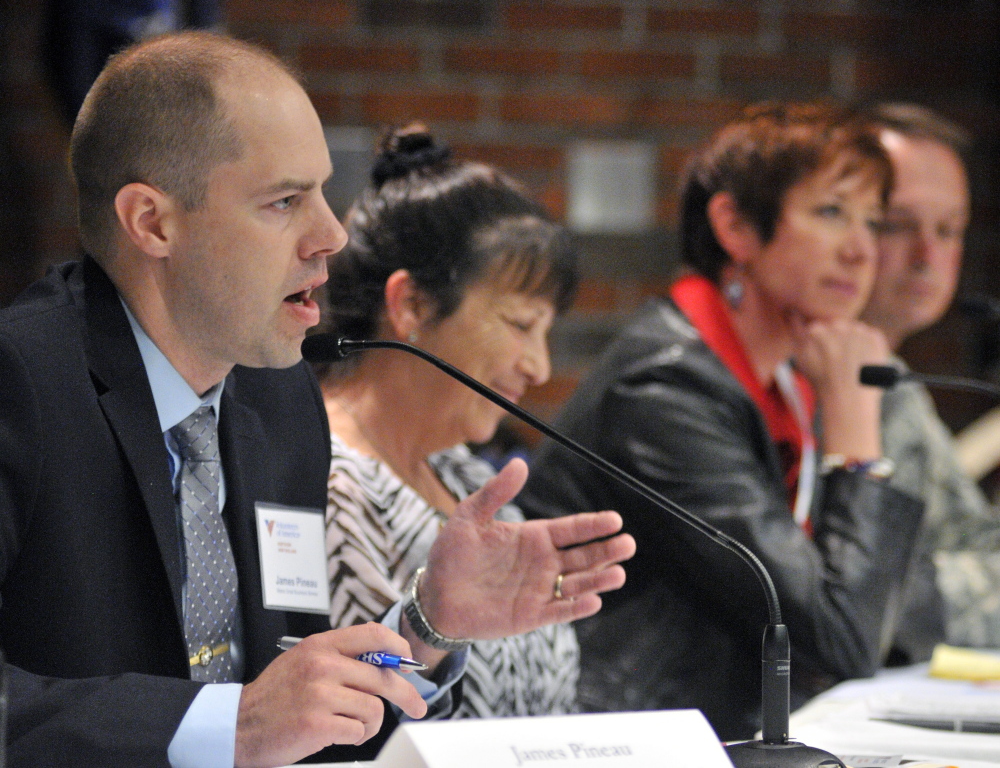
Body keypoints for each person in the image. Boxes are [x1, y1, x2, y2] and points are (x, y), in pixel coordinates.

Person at [0, 31, 635, 768]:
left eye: (325, 192)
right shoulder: (23, 381)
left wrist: (428, 627)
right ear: (153, 222)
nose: (330, 234)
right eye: (283, 201)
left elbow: (298, 721)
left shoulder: (278, 399)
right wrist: (226, 725)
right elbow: (250, 721)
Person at [519, 102, 944, 740]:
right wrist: (856, 438)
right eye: (830, 213)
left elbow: (907, 616)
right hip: (611, 742)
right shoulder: (665, 389)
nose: (863, 252)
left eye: (872, 221)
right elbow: (835, 642)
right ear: (735, 226)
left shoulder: (785, 378)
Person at [319, 124, 581, 718]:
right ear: (411, 305)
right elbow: (341, 728)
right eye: (519, 324)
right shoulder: (320, 481)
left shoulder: (466, 474)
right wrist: (428, 625)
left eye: (546, 332)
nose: (538, 366)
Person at [859, 103, 1000, 649]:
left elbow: (971, 539)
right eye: (897, 225)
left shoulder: (892, 386)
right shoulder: (796, 376)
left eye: (949, 229)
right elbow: (868, 598)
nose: (929, 256)